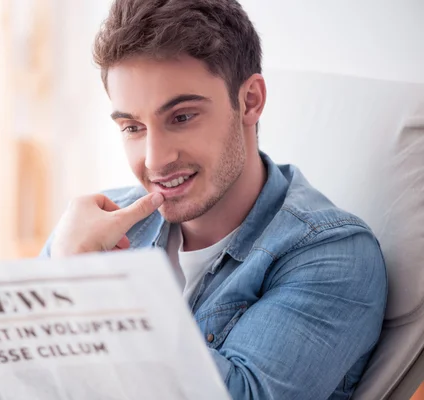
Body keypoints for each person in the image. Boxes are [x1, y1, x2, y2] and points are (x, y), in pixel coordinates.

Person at [40, 0, 387, 398]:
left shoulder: (333, 254)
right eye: (133, 127)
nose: (155, 160)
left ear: (250, 101)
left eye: (182, 117)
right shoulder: (92, 228)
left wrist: (97, 289)